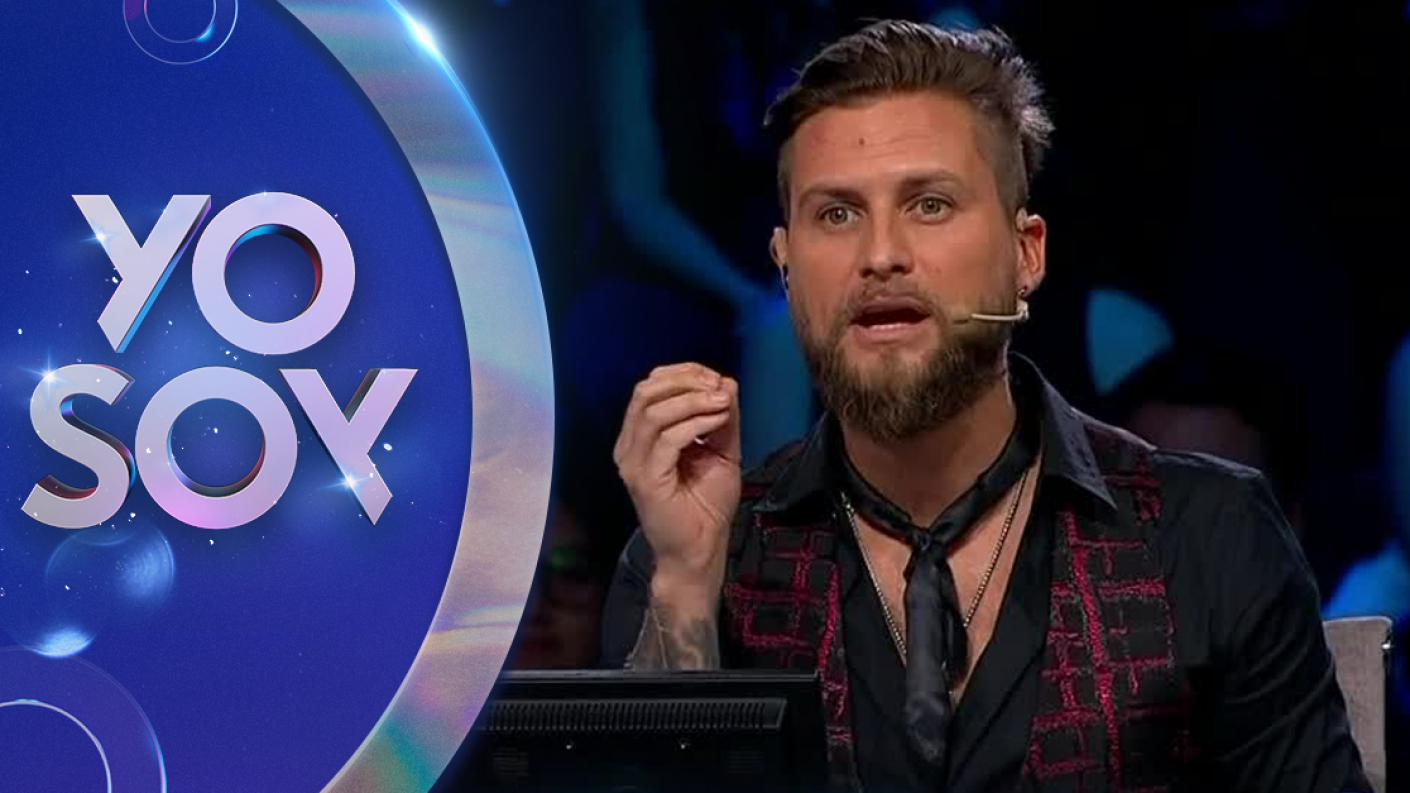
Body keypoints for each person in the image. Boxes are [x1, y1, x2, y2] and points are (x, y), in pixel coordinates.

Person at [598, 20, 1370, 792]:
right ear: (786, 264)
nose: (880, 254)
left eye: (930, 204)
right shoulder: (696, 548)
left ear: (1026, 252)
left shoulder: (1208, 535)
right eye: (836, 214)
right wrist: (685, 587)